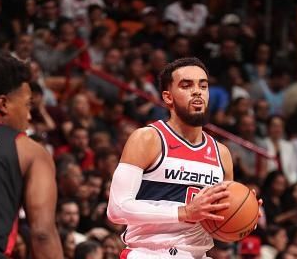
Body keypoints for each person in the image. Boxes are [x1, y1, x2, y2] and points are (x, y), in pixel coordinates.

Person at [107, 57, 261, 259]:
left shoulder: (221, 153)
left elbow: (220, 223)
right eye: (186, 85)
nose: (197, 91)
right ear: (168, 97)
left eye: (203, 85)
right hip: (150, 254)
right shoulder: (148, 138)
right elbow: (117, 209)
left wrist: (244, 217)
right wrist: (185, 212)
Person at [0, 53, 63, 258]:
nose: (29, 116)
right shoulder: (28, 150)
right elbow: (42, 234)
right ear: (3, 104)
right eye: (27, 104)